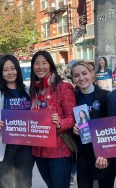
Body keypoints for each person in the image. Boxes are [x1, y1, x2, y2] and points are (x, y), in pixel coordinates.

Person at [30, 51, 76, 188]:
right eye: (37, 63)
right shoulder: (34, 90)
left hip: (59, 151)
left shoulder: (63, 87)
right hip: (39, 151)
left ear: (50, 65)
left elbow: (72, 118)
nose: (40, 67)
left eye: (44, 63)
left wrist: (59, 124)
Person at [0, 55, 35, 188]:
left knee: (24, 184)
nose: (10, 72)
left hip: (26, 146)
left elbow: (35, 116)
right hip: (5, 146)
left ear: (18, 70)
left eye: (13, 68)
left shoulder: (28, 91)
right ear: (1, 73)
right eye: (5, 70)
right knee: (5, 184)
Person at [71, 60, 115, 188]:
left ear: (91, 73)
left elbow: (112, 128)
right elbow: (69, 121)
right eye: (76, 75)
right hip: (83, 155)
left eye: (84, 73)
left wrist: (108, 156)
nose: (81, 78)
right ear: (73, 78)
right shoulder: (73, 97)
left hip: (103, 155)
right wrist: (73, 129)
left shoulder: (106, 97)